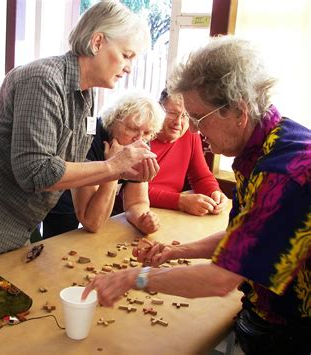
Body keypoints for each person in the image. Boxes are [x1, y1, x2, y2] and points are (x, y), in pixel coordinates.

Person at [82, 36, 310, 354]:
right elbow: (243, 238)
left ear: (239, 112)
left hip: (296, 335)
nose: (194, 131)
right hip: (268, 319)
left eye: (198, 119)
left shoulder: (284, 171)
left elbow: (221, 280)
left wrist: (136, 278)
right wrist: (176, 252)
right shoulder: (267, 144)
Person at [0, 1, 159, 268]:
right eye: (126, 55)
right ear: (97, 42)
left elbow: (76, 175)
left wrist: (117, 172)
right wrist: (113, 166)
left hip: (14, 218)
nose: (128, 68)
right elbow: (36, 172)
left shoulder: (86, 95)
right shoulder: (43, 80)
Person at [43, 91, 164, 238]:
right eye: (132, 129)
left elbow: (136, 202)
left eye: (147, 133)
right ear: (113, 121)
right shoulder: (89, 139)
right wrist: (115, 169)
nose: (139, 139)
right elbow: (91, 222)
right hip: (58, 200)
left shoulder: (139, 142)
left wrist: (143, 220)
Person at [149, 89, 228, 216]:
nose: (178, 122)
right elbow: (131, 191)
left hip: (171, 213)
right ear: (158, 110)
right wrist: (180, 202)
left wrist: (214, 192)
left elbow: (201, 177)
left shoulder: (190, 135)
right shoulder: (142, 133)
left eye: (186, 116)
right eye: (172, 113)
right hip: (136, 212)